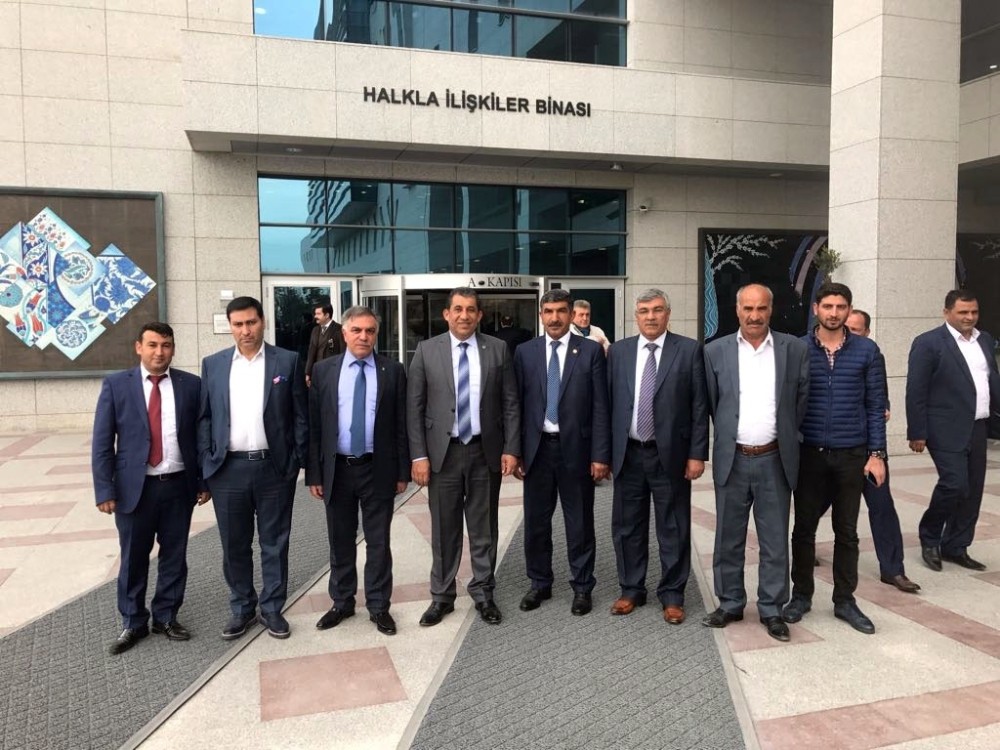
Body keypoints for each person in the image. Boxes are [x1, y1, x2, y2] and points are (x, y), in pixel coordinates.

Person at [92, 322, 209, 655]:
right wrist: (104, 489)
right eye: (153, 345)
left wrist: (203, 481)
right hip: (134, 489)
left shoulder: (191, 385)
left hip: (178, 487)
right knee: (133, 558)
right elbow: (102, 442)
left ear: (173, 348)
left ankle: (166, 616)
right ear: (139, 347)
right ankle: (133, 621)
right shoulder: (116, 385)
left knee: (175, 556)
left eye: (166, 345)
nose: (160, 352)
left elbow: (200, 438)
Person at [408, 288, 520, 627]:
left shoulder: (497, 349)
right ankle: (442, 596)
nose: (464, 315)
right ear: (446, 314)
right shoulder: (427, 350)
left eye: (471, 309)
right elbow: (414, 408)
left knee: (484, 528)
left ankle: (483, 592)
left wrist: (511, 448)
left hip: (485, 452)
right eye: (457, 309)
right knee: (444, 529)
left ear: (480, 315)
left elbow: (510, 403)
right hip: (443, 455)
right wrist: (418, 455)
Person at [198, 296, 309, 640]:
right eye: (238, 324)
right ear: (230, 327)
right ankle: (242, 608)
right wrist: (207, 461)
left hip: (274, 469)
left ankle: (272, 608)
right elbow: (205, 417)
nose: (245, 330)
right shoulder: (213, 365)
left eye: (251, 322)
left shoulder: (287, 361)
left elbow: (300, 415)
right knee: (234, 544)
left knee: (275, 543)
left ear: (263, 322)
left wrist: (296, 461)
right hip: (227, 470)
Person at [702, 285, 808, 641]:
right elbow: (712, 404)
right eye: (748, 308)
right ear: (737, 310)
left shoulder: (793, 349)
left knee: (775, 540)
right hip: (732, 458)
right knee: (728, 537)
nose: (754, 315)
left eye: (761, 308)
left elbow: (801, 401)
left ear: (771, 309)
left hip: (774, 458)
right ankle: (730, 603)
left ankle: (772, 609)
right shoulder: (715, 351)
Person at [782, 283, 887, 635]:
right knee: (803, 529)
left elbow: (875, 405)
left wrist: (876, 454)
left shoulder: (867, 351)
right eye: (827, 306)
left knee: (847, 531)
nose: (834, 313)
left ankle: (845, 600)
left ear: (849, 310)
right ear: (816, 308)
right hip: (809, 453)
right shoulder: (797, 348)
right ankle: (801, 595)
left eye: (841, 307)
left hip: (851, 454)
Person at [608, 289, 709, 625]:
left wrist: (697, 454)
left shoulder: (689, 350)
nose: (650, 317)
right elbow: (607, 404)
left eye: (657, 310)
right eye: (643, 311)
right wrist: (604, 454)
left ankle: (673, 594)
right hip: (628, 454)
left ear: (668, 313)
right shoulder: (619, 352)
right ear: (635, 315)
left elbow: (699, 406)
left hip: (672, 456)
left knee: (673, 526)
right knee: (627, 526)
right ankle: (631, 589)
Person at [306, 306, 409, 636]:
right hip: (337, 469)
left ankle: (378, 605)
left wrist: (402, 471)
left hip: (378, 468)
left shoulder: (393, 371)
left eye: (370, 331)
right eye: (357, 330)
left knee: (378, 542)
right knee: (340, 540)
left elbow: (401, 424)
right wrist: (314, 474)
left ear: (376, 334)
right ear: (344, 333)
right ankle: (342, 602)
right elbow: (315, 426)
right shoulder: (323, 371)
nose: (364, 336)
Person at [513, 288, 611, 616]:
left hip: (577, 452)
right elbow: (516, 405)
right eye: (548, 311)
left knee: (579, 523)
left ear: (570, 315)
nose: (554, 318)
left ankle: (582, 587)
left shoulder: (590, 351)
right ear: (541, 315)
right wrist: (516, 451)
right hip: (537, 451)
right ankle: (539, 582)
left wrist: (600, 455)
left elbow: (601, 406)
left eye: (560, 311)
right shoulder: (525, 352)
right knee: (536, 524)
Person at [906, 289, 1000, 573]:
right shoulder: (928, 343)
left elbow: (991, 380)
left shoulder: (984, 340)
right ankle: (930, 536)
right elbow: (916, 390)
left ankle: (956, 546)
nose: (969, 317)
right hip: (943, 428)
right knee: (954, 483)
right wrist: (917, 431)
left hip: (978, 425)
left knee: (973, 491)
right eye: (963, 312)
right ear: (946, 312)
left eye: (974, 312)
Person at [839, 309, 920, 593]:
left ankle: (893, 569)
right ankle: (805, 548)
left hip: (870, 447)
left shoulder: (872, 355)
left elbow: (879, 395)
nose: (850, 333)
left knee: (882, 505)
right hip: (835, 447)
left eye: (856, 329)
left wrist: (883, 409)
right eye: (847, 327)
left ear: (867, 332)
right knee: (817, 505)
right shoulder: (826, 355)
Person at [305, 303, 344, 387]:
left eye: (318, 314)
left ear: (327, 315)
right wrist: (308, 373)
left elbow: (343, 352)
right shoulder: (315, 330)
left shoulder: (339, 329)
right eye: (315, 314)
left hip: (332, 373)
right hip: (317, 373)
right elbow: (311, 353)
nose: (315, 316)